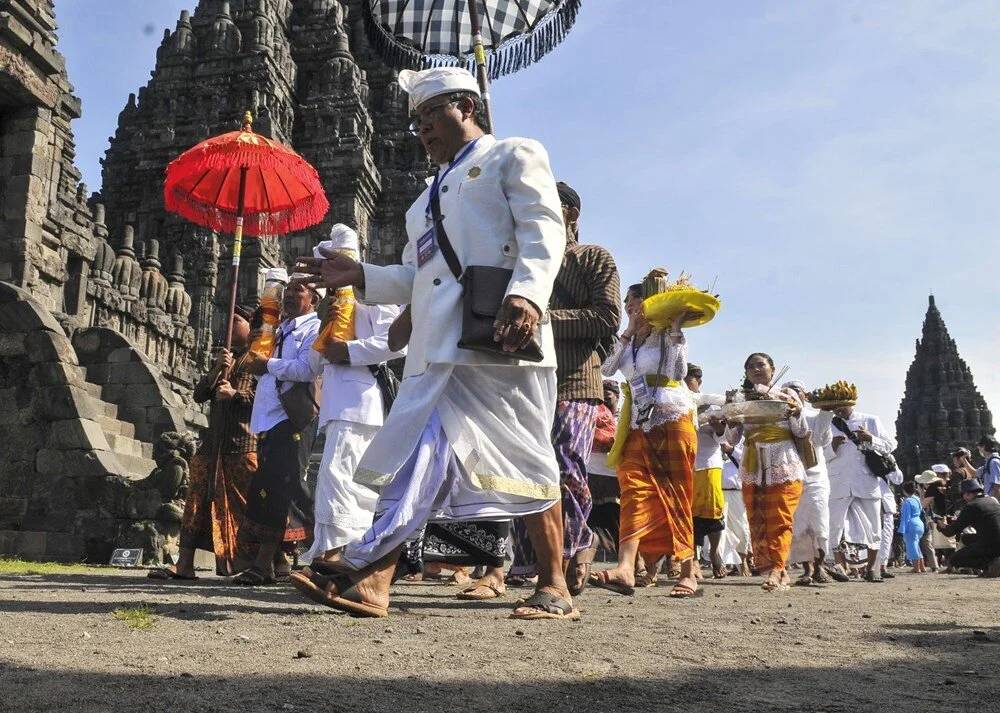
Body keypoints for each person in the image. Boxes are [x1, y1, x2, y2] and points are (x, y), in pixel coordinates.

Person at [292, 66, 574, 620]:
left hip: (499, 335)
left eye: (430, 114)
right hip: (437, 348)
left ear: (467, 107)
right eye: (415, 118)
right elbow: (414, 278)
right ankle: (372, 575)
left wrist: (529, 295)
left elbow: (545, 230)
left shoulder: (512, 155)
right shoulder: (421, 203)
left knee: (527, 458)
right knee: (416, 456)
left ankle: (556, 585)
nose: (420, 128)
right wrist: (356, 274)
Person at [508, 179, 621, 597]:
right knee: (524, 473)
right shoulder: (525, 262)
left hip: (575, 379)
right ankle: (538, 561)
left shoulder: (593, 257)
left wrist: (543, 317)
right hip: (527, 381)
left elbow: (608, 319)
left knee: (566, 469)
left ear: (570, 214)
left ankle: (571, 550)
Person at [589, 274, 710, 598]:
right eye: (627, 304)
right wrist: (627, 332)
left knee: (677, 492)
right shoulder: (628, 340)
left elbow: (676, 373)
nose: (631, 308)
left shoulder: (664, 335)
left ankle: (688, 570)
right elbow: (606, 370)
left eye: (637, 302)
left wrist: (674, 330)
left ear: (651, 304)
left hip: (672, 416)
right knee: (633, 489)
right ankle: (626, 568)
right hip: (637, 421)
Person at [301, 225, 405, 566]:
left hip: (360, 402)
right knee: (334, 478)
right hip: (335, 403)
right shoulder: (333, 305)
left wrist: (349, 351)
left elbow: (396, 343)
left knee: (342, 477)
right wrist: (323, 324)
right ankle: (333, 553)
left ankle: (342, 554)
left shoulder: (372, 295)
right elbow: (318, 360)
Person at [149, 305, 258, 580]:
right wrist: (214, 373)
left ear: (250, 326)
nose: (229, 326)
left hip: (243, 443)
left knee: (245, 507)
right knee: (195, 501)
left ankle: (246, 563)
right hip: (212, 445)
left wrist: (235, 394)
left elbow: (266, 401)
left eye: (236, 321)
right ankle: (184, 563)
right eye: (228, 320)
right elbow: (198, 395)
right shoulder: (225, 359)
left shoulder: (259, 359)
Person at [236, 277, 323, 585]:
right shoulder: (280, 328)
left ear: (313, 298)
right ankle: (275, 562)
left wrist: (269, 364)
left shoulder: (314, 329)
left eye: (297, 290)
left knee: (287, 487)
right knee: (270, 486)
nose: (289, 296)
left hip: (294, 417)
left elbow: (307, 369)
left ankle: (323, 554)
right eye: (286, 291)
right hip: (271, 417)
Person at [729, 353, 808, 592]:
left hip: (783, 461)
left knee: (781, 517)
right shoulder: (743, 398)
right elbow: (733, 438)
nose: (755, 369)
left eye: (760, 365)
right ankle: (778, 570)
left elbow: (802, 432)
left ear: (772, 369)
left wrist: (796, 413)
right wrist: (730, 421)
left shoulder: (787, 395)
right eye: (750, 366)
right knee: (759, 517)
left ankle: (777, 568)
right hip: (754, 464)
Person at [825, 398, 896, 583]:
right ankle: (841, 567)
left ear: (851, 402)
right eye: (835, 406)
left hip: (866, 480)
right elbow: (819, 455)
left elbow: (889, 447)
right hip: (838, 482)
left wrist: (870, 438)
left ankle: (873, 568)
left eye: (842, 404)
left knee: (874, 526)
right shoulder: (828, 425)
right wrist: (832, 447)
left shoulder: (870, 420)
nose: (838, 409)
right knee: (835, 526)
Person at [784, 380, 835, 586]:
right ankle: (806, 569)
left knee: (819, 523)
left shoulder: (816, 417)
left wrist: (826, 413)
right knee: (798, 526)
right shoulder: (782, 420)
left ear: (804, 396)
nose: (794, 395)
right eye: (789, 392)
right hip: (792, 477)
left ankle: (820, 566)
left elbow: (822, 441)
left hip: (816, 478)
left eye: (798, 392)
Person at [686, 364, 727, 579]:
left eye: (688, 379)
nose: (683, 383)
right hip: (683, 466)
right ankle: (692, 560)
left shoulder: (712, 406)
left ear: (698, 382)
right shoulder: (673, 403)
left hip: (708, 464)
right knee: (689, 514)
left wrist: (719, 428)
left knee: (713, 511)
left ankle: (715, 553)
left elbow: (725, 439)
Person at [937, 479, 1000, 576]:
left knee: (955, 559)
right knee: (966, 538)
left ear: (968, 494)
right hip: (993, 539)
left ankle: (990, 565)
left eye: (963, 495)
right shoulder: (992, 501)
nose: (963, 498)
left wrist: (941, 526)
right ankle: (994, 560)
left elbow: (950, 532)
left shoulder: (971, 506)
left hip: (991, 543)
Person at [720, 438, 752, 576]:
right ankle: (723, 563)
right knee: (720, 529)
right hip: (717, 489)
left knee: (741, 528)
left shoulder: (745, 440)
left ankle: (743, 561)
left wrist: (731, 450)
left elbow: (749, 461)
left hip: (737, 492)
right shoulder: (716, 437)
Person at [897, 480, 926, 573]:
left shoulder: (907, 501)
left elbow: (906, 517)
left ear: (905, 491)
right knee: (916, 545)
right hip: (919, 523)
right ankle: (922, 567)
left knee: (911, 546)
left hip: (911, 524)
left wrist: (902, 529)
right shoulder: (917, 499)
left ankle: (916, 567)